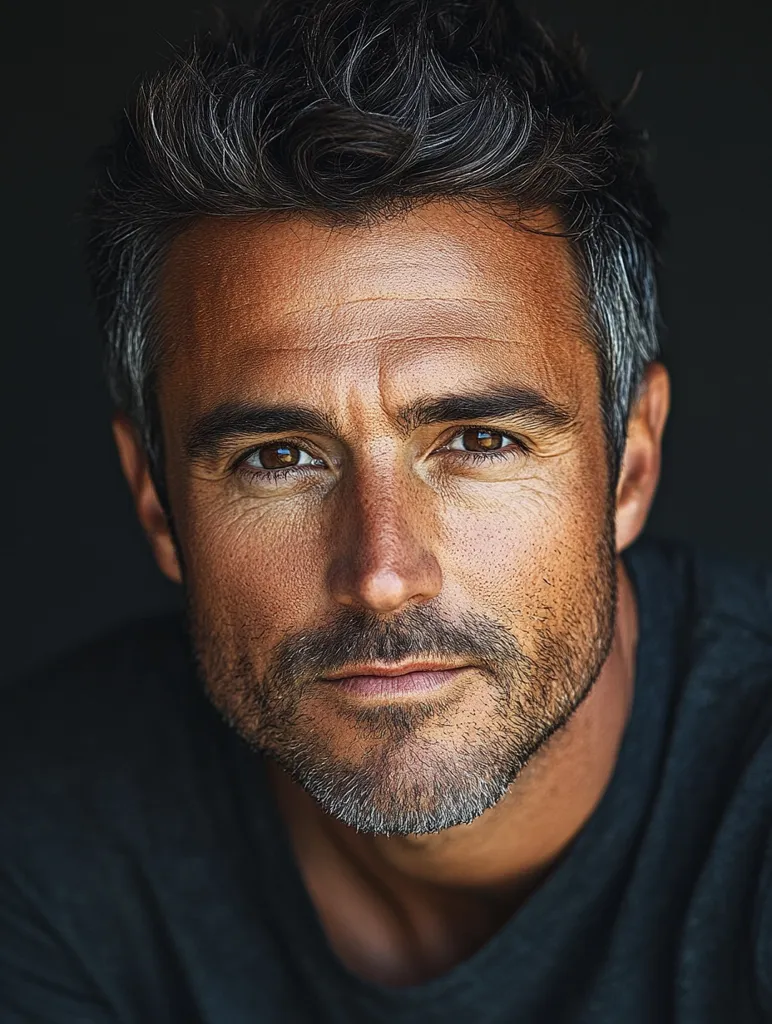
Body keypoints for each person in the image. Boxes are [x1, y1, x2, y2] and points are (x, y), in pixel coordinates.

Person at [1, 0, 770, 1020]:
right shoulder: (50, 825)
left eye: (478, 441)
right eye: (279, 457)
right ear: (156, 501)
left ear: (628, 466)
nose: (381, 570)